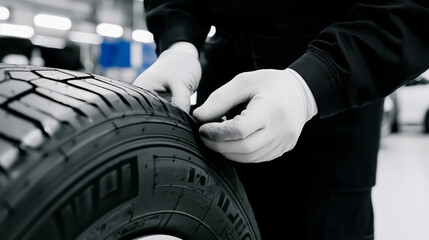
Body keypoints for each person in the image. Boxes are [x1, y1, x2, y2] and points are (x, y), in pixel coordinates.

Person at [134, 1, 429, 239]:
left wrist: (309, 87)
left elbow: (411, 9)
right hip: (224, 90)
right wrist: (178, 42)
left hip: (335, 104)